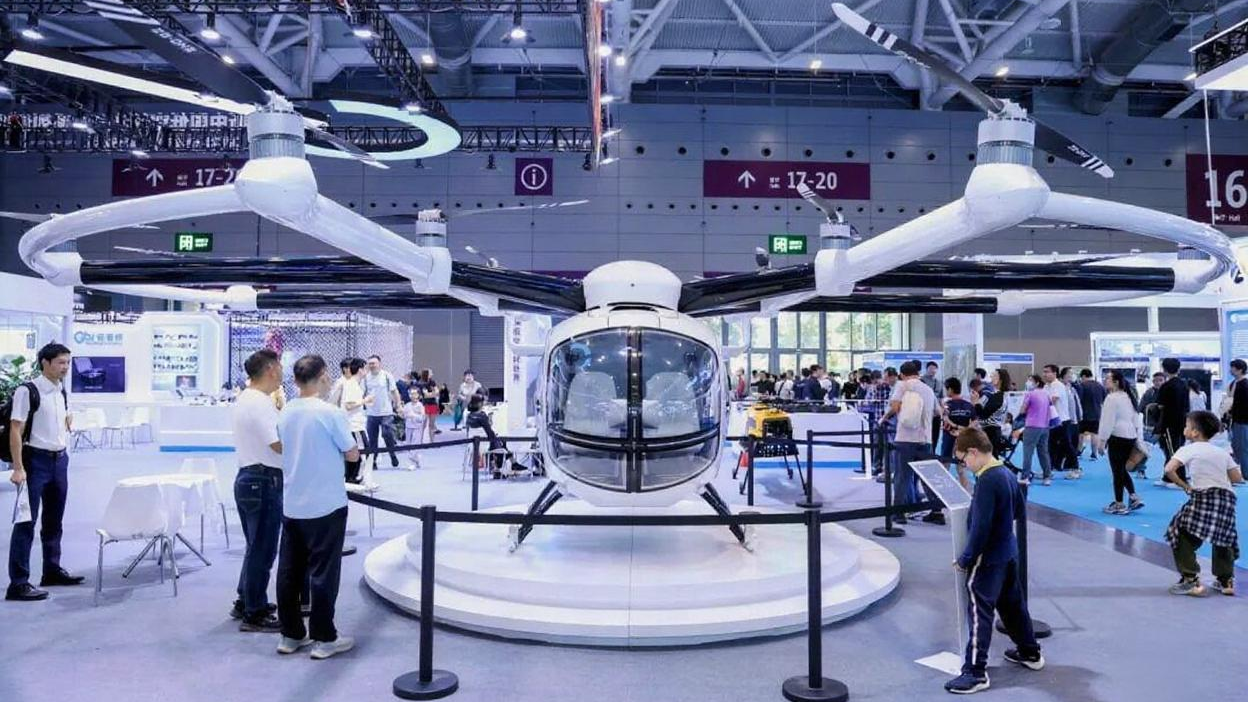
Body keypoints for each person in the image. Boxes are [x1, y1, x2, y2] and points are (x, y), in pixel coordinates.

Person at [945, 428, 1044, 694]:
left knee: (980, 612)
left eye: (963, 459)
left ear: (973, 452)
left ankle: (975, 672)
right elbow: (1019, 511)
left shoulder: (987, 480)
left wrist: (966, 558)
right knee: (1013, 607)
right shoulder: (1007, 473)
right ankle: (1030, 652)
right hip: (1008, 552)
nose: (964, 465)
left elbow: (980, 528)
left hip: (987, 559)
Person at [274, 355, 360, 659]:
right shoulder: (330, 413)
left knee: (289, 572)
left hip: (293, 503)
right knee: (323, 573)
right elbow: (351, 452)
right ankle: (324, 638)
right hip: (326, 504)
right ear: (323, 375)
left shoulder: (286, 412)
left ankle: (291, 634)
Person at [5, 343, 81, 602]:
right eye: (61, 362)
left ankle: (52, 570)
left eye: (68, 362)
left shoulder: (61, 390)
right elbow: (16, 430)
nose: (65, 367)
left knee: (54, 521)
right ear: (45, 363)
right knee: (26, 522)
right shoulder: (28, 391)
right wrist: (18, 468)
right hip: (34, 461)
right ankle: (18, 583)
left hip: (59, 461)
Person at [229, 349, 285, 631]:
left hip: (250, 478)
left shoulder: (247, 398)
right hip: (263, 480)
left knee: (255, 546)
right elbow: (276, 444)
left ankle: (246, 599)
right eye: (280, 366)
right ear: (271, 369)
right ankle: (255, 612)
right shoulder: (260, 403)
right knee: (263, 549)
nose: (283, 372)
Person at [1163, 410, 1242, 597]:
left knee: (1180, 531)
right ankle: (1226, 580)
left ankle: (1190, 579)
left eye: (1187, 426)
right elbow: (1237, 478)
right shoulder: (1221, 452)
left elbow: (1169, 469)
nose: (1184, 429)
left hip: (1203, 497)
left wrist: (1185, 486)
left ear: (1195, 432)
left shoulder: (1187, 449)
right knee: (1222, 537)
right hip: (1226, 499)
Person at [881, 360, 944, 525]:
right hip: (925, 439)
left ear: (902, 375)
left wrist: (885, 417)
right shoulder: (928, 389)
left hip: (905, 438)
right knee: (928, 476)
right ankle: (937, 511)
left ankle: (898, 513)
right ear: (917, 373)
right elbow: (938, 412)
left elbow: (895, 406)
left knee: (902, 476)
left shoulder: (902, 386)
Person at [1097, 370, 1145, 516]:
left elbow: (1107, 421)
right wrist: (1138, 438)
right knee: (1122, 469)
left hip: (1117, 436)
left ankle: (1119, 503)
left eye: (1108, 378)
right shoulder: (1128, 396)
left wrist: (1102, 440)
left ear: (1116, 382)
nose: (1105, 380)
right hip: (1130, 435)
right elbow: (1136, 418)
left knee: (1117, 471)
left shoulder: (1111, 398)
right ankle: (1133, 496)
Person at [361, 354, 402, 469]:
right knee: (372, 439)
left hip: (386, 412)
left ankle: (392, 454)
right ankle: (373, 461)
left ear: (379, 364)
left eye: (373, 363)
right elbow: (361, 393)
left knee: (387, 434)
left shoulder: (387, 376)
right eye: (370, 364)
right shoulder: (365, 378)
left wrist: (398, 405)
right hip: (371, 413)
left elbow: (394, 392)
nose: (372, 365)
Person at [1154, 358, 1191, 484]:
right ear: (1178, 369)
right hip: (1183, 422)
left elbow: (1160, 406)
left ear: (1164, 370)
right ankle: (1168, 477)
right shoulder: (1184, 385)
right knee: (1176, 449)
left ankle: (1179, 479)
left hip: (1169, 423)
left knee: (1173, 452)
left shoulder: (1166, 386)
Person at [336, 357, 371, 480]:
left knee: (360, 452)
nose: (367, 371)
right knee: (362, 452)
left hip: (356, 424)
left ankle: (352, 478)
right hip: (354, 426)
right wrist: (365, 401)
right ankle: (352, 478)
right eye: (365, 368)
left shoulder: (353, 384)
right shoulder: (351, 385)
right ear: (360, 369)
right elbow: (349, 405)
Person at [1015, 374, 1053, 486]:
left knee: (1028, 452)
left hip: (1032, 426)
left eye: (1031, 380)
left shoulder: (1030, 394)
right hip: (1045, 426)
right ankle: (1047, 477)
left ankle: (1025, 477)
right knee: (1043, 452)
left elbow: (1023, 410)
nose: (1028, 382)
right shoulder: (1046, 394)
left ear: (1037, 383)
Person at [1042, 364, 1079, 479]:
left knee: (1067, 445)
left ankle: (1076, 468)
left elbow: (1052, 400)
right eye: (1044, 372)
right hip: (1051, 421)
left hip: (1062, 420)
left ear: (1054, 373)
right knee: (1050, 445)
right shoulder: (1046, 386)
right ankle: (1049, 469)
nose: (1044, 374)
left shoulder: (1058, 385)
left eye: (1047, 372)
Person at [971, 369, 1011, 457]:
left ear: (1000, 380)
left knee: (989, 458)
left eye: (994, 375)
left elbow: (984, 414)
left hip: (991, 431)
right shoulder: (1000, 395)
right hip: (993, 430)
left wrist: (976, 402)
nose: (991, 377)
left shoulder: (998, 396)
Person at [940, 377, 975, 461]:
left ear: (950, 390)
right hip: (964, 435)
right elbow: (975, 422)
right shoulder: (969, 405)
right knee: (962, 461)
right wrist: (964, 429)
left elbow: (945, 419)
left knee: (945, 460)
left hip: (949, 436)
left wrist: (956, 426)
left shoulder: (947, 404)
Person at [1075, 368, 1106, 460]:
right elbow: (1104, 400)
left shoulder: (1081, 386)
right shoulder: (1100, 386)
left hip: (1083, 414)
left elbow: (1078, 400)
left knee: (1081, 434)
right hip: (1096, 414)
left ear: (1084, 376)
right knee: (1095, 434)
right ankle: (1094, 454)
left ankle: (1079, 451)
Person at [1226, 359, 1248, 472]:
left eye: (1232, 368)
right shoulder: (1234, 383)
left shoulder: (1245, 384)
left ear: (1240, 370)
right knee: (1236, 447)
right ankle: (1241, 472)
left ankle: (1246, 473)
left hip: (1243, 420)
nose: (1230, 370)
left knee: (1243, 448)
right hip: (1235, 420)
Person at [417, 369, 441, 444]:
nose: (432, 374)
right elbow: (426, 395)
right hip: (425, 405)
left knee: (432, 424)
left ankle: (432, 442)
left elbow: (437, 392)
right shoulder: (421, 383)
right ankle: (420, 441)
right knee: (423, 424)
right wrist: (433, 393)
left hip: (433, 404)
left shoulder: (432, 382)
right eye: (430, 373)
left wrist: (432, 394)